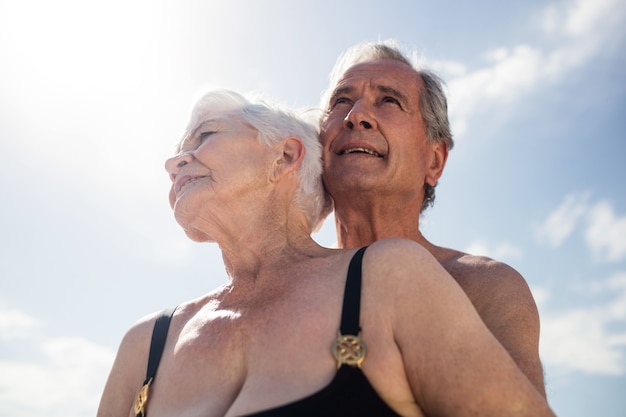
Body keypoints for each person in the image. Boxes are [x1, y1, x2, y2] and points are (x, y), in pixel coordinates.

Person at [96, 89, 555, 417]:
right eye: (179, 149)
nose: (174, 161)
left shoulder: (391, 278)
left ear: (285, 157)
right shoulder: (145, 344)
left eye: (205, 136)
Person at [319, 40, 547, 396]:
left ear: (434, 161)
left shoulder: (484, 287)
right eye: (341, 101)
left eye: (389, 100)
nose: (355, 116)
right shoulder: (283, 286)